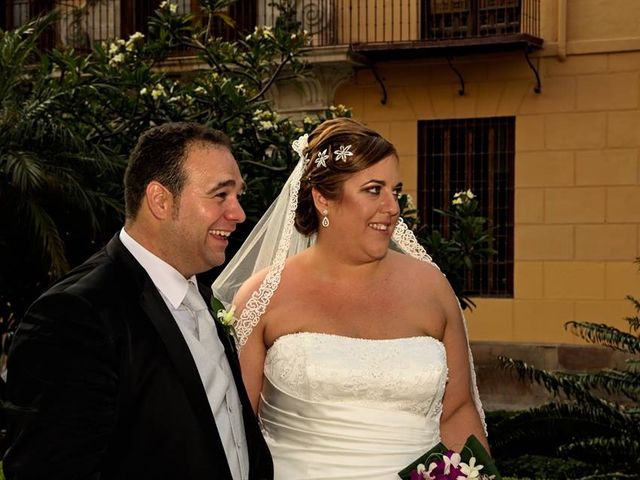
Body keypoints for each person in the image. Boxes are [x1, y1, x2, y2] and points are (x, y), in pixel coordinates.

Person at [213, 117, 488, 479]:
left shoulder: (432, 287)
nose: (392, 206)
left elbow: (458, 411)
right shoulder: (264, 295)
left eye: (395, 189)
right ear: (323, 198)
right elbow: (235, 430)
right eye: (374, 190)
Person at [3, 122, 273, 479]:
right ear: (160, 200)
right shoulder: (74, 316)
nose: (238, 213)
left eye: (237, 195)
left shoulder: (203, 297)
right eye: (220, 195)